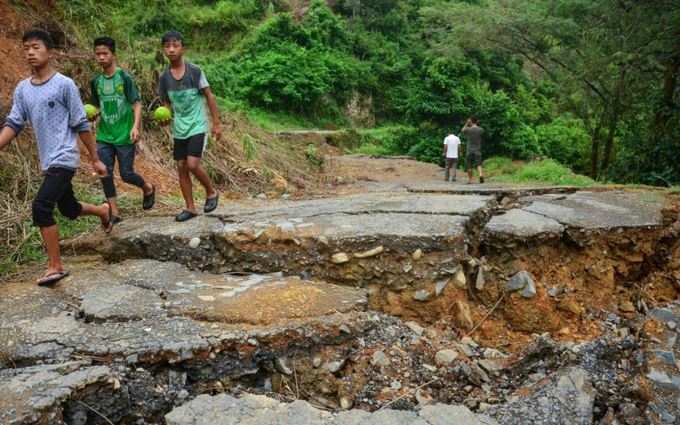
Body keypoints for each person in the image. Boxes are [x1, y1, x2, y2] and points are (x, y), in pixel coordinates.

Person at [0, 30, 113, 286]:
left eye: (36, 47)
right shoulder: (23, 90)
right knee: (68, 208)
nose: (30, 52)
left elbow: (80, 122)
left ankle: (55, 266)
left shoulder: (64, 84)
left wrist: (94, 158)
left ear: (49, 52)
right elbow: (14, 123)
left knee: (41, 207)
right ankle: (103, 211)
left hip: (65, 156)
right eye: (26, 48)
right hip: (47, 160)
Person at [158, 30, 221, 222]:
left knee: (192, 164)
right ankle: (190, 207)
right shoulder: (164, 78)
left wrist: (217, 123)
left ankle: (211, 192)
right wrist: (166, 118)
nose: (171, 49)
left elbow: (209, 95)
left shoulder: (195, 71)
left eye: (175, 45)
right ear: (163, 50)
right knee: (181, 166)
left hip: (197, 125)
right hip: (180, 128)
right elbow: (166, 104)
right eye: (167, 46)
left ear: (182, 48)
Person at [90, 36, 155, 222]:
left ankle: (148, 188)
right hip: (104, 134)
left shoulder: (124, 78)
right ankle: (114, 212)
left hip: (125, 134)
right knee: (105, 172)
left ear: (113, 55)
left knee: (126, 174)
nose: (101, 57)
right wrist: (93, 114)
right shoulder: (95, 82)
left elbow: (136, 103)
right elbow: (95, 105)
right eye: (98, 54)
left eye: (105, 53)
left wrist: (135, 127)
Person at [461, 116, 485, 184]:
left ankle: (470, 180)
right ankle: (480, 175)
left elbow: (462, 130)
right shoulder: (480, 129)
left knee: (469, 165)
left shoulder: (468, 129)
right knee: (479, 164)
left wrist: (466, 123)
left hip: (469, 150)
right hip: (477, 150)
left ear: (470, 121)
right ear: (477, 121)